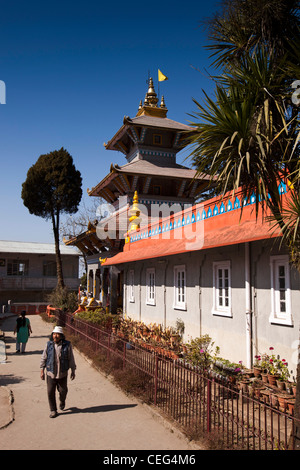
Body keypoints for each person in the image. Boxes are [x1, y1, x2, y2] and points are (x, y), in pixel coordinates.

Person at [40, 325, 76, 418]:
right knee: (50, 392)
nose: (55, 336)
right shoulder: (49, 344)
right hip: (50, 373)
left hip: (62, 373)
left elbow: (70, 357)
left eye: (57, 334)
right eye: (54, 334)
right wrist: (42, 370)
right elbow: (44, 357)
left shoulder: (67, 345)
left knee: (63, 391)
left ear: (61, 336)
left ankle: (62, 400)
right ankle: (53, 410)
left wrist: (73, 370)